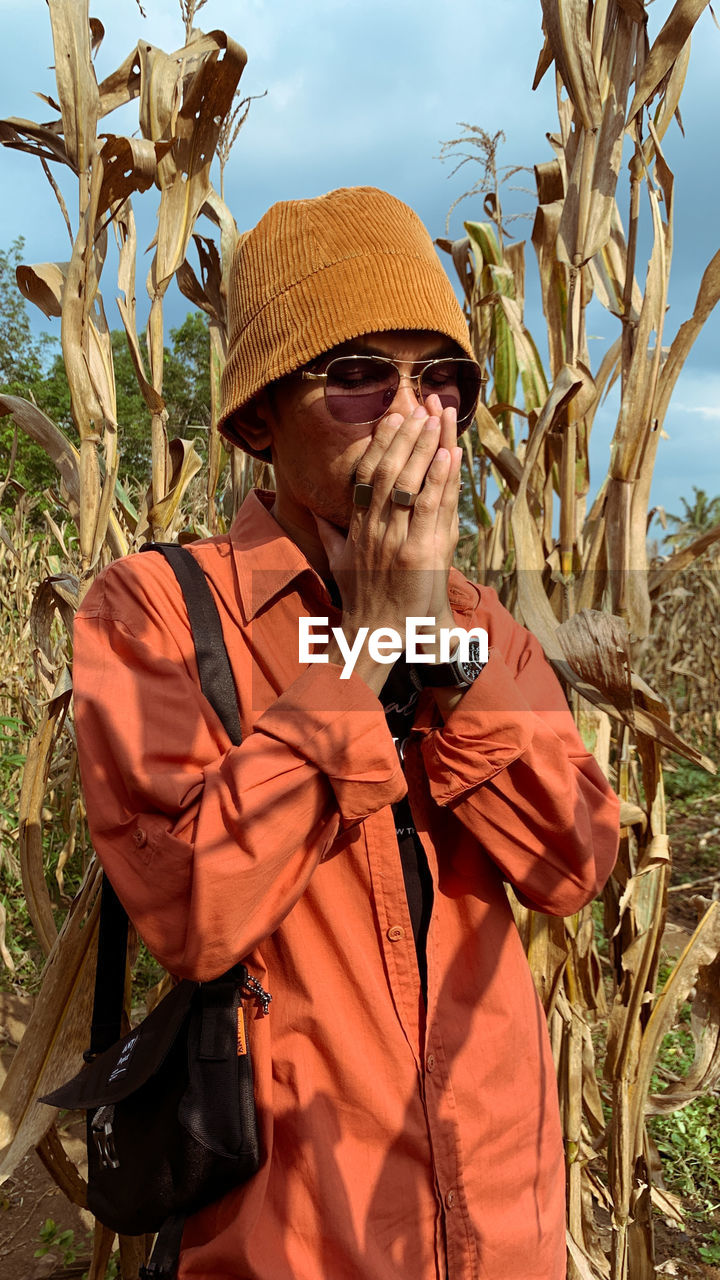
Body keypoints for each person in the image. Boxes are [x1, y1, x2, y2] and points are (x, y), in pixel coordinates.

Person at [73, 186, 620, 1280]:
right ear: (259, 418)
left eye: (444, 380)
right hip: (296, 1240)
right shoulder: (154, 610)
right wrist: (363, 644)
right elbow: (192, 906)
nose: (416, 414)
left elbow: (574, 863)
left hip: (503, 1229)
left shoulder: (478, 623)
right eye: (363, 374)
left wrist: (434, 641)